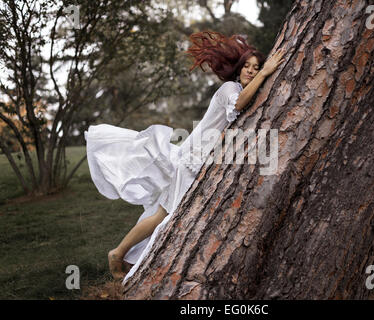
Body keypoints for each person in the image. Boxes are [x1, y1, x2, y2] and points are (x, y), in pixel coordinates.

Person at [84, 30, 286, 281]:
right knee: (169, 215)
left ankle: (120, 253)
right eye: (247, 66)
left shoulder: (243, 90)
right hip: (193, 160)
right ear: (238, 69)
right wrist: (267, 73)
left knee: (163, 213)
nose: (252, 71)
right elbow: (239, 103)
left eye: (256, 68)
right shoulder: (229, 89)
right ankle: (123, 256)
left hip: (199, 160)